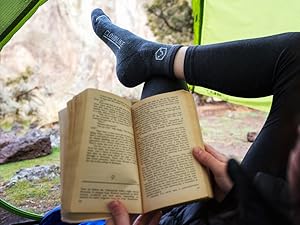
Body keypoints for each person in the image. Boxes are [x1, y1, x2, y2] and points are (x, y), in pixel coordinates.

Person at [39, 8, 300, 225]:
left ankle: (148, 55)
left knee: (160, 74)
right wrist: (238, 190)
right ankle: (149, 56)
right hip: (248, 208)